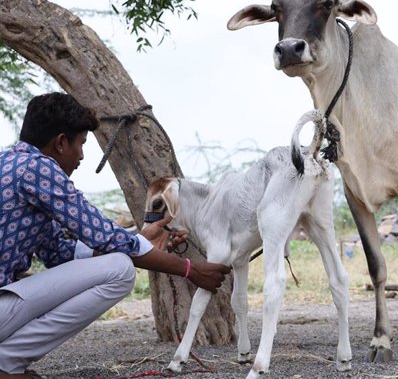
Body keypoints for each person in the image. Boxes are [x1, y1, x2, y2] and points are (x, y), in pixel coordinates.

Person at [0, 93, 231, 378]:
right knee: (120, 271)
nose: (82, 157)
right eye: (81, 144)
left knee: (118, 260)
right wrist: (190, 269)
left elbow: (58, 253)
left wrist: (144, 239)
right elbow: (103, 236)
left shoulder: (11, 164)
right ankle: (6, 363)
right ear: (60, 142)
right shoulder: (38, 169)